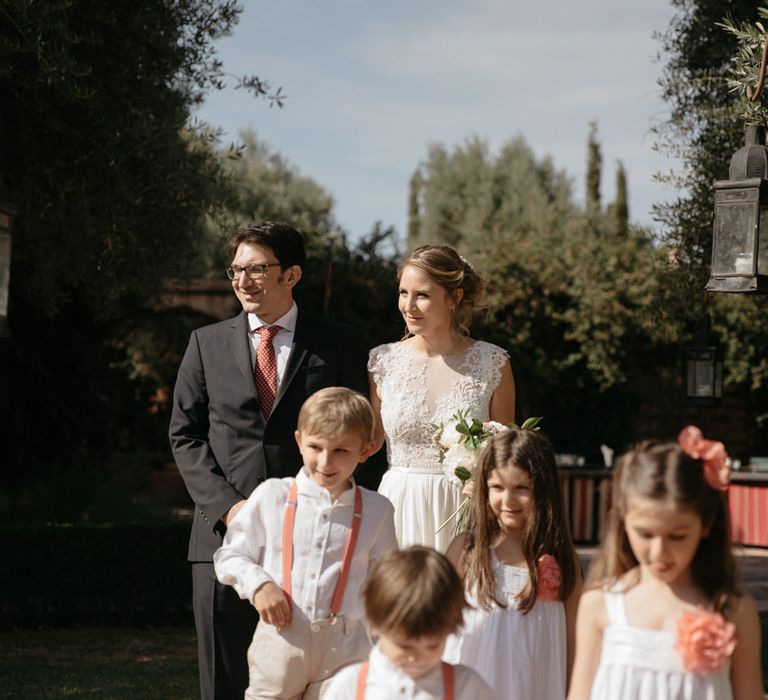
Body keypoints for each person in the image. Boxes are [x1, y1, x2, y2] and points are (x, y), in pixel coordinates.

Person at [169, 222, 368, 700]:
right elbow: (185, 434)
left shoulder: (337, 343)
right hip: (220, 536)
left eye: (257, 268)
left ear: (292, 274)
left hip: (312, 538)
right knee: (222, 679)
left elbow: (358, 434)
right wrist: (228, 507)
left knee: (303, 675)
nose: (243, 280)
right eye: (236, 270)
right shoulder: (205, 342)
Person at [213, 387, 397, 699]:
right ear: (299, 441)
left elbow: (385, 584)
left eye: (341, 451)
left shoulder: (378, 510)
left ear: (365, 450)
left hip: (347, 648)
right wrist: (260, 586)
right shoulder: (273, 496)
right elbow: (230, 555)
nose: (325, 461)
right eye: (316, 447)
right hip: (282, 640)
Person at [567, 427, 764, 700]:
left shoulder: (732, 611)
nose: (660, 551)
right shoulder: (601, 605)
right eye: (645, 534)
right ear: (624, 523)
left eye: (677, 536)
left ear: (705, 524)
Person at [368, 245, 516, 552]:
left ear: (455, 298)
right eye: (403, 293)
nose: (408, 306)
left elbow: (508, 454)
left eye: (422, 295)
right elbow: (368, 442)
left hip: (465, 509)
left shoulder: (492, 363)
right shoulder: (381, 363)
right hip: (398, 505)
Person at [443, 429, 581, 699]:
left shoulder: (561, 558)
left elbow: (575, 638)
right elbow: (435, 622)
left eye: (521, 488)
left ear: (542, 489)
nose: (508, 500)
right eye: (497, 488)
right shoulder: (466, 549)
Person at [325, 546, 497, 699]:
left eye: (432, 646)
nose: (416, 658)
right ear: (376, 624)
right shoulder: (349, 688)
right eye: (405, 646)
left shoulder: (467, 688)